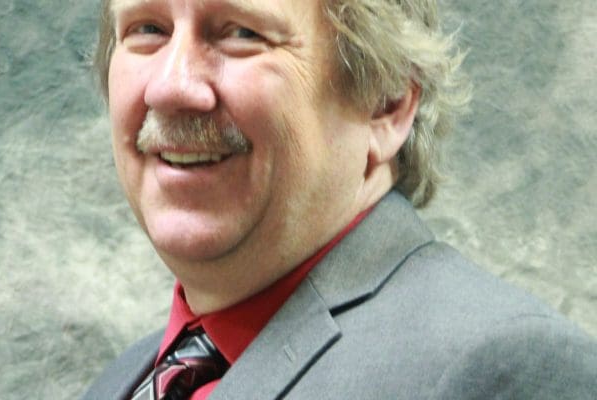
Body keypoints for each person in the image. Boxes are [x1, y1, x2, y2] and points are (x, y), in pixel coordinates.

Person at [83, 0, 597, 399]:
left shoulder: (501, 370)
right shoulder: (120, 383)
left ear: (386, 104)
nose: (171, 88)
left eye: (242, 33)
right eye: (147, 29)